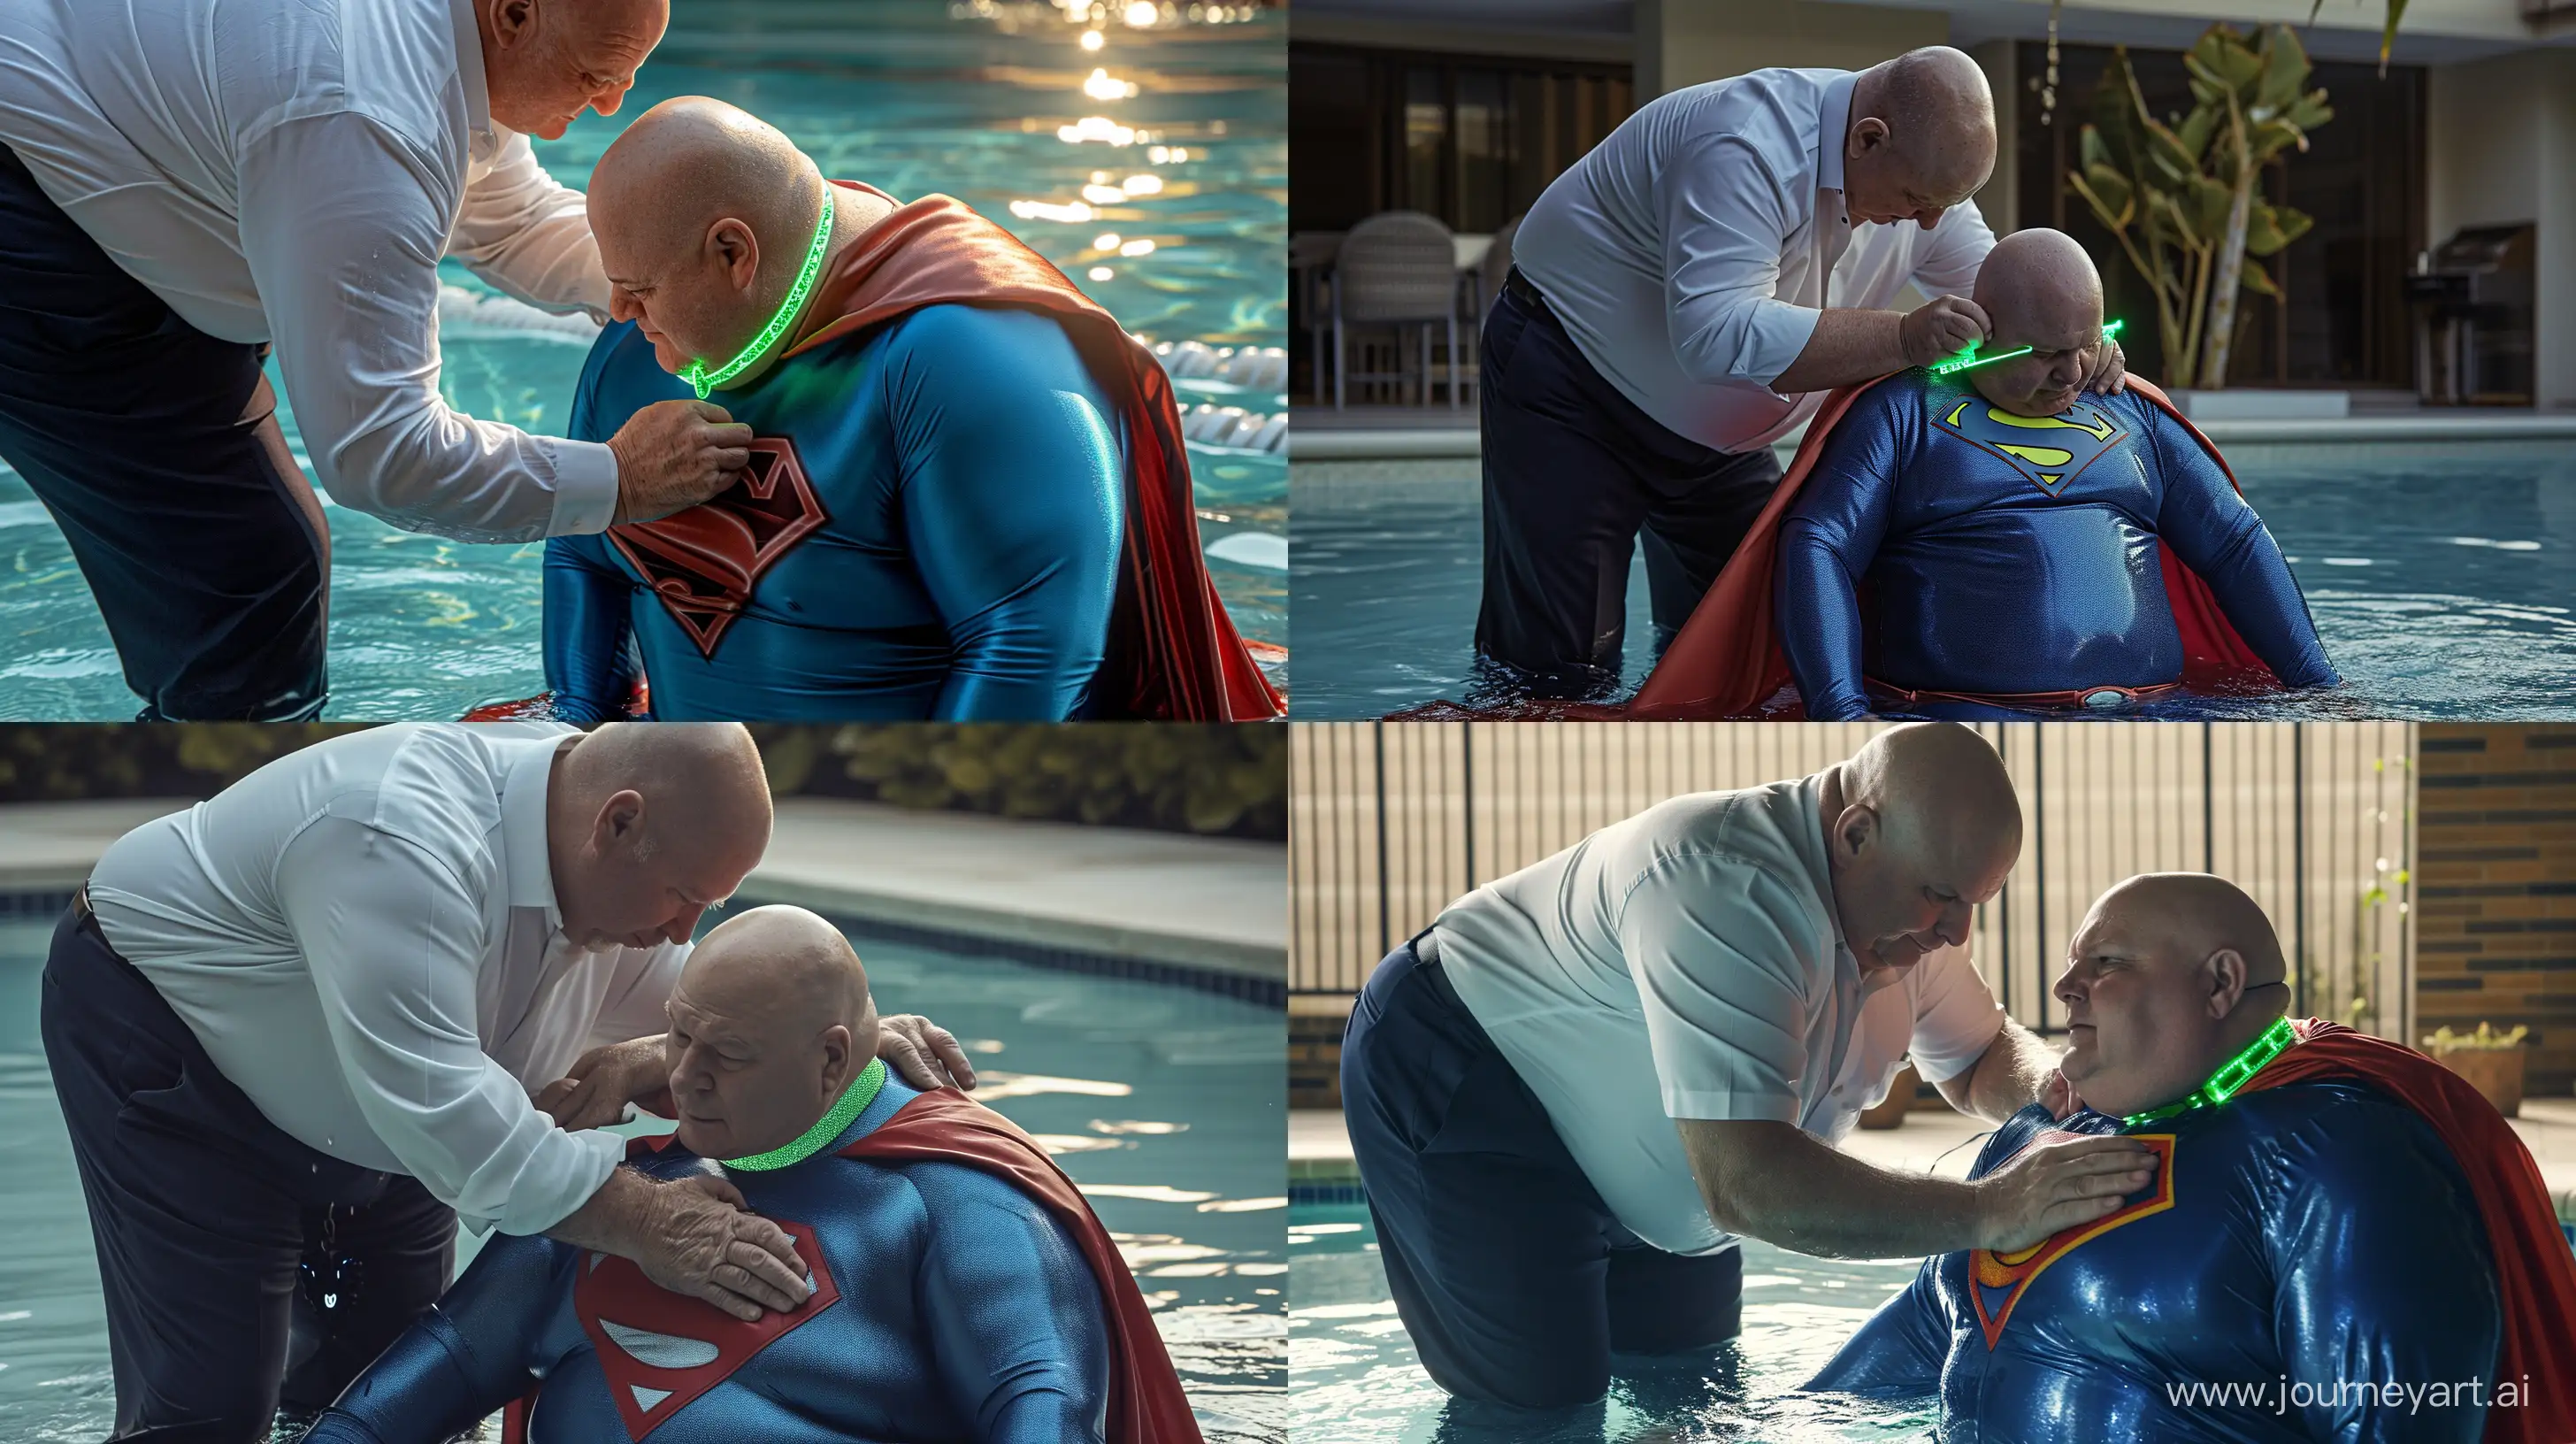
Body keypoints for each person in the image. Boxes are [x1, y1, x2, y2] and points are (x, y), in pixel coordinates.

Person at [40, 723, 976, 1442]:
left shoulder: (598, 856)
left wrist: (834, 1040)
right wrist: (654, 1223)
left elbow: (691, 1006)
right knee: (208, 1412)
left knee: (396, 1396)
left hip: (386, 1105)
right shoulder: (391, 839)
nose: (686, 928)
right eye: (684, 898)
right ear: (619, 824)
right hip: (166, 1044)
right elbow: (452, 1116)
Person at [1338, 723, 2159, 1412]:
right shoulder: (1724, 884)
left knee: (1693, 1398)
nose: (1954, 934)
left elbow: (1980, 1057)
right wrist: (1991, 1212)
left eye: (1974, 904)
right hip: (1468, 1073)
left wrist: (2065, 1090)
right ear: (1855, 833)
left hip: (1669, 1152)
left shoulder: (1903, 916)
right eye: (1941, 897)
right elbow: (1752, 1187)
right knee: (1543, 1419)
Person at [0, 0, 762, 722]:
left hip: (94, 122)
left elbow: (507, 219)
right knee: (253, 580)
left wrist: (678, 284)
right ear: (515, 12)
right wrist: (621, 479)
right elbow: (382, 453)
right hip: (30, 193)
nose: (608, 107)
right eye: (596, 76)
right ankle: (215, 768)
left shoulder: (453, 43)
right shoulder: (362, 117)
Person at [302, 905, 1203, 1444]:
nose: (680, 1075)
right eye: (676, 1034)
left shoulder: (964, 1203)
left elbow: (1043, 1408)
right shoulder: (612, 1198)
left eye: (724, 1054)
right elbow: (418, 1387)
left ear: (830, 1060)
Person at [528, 97, 1281, 722]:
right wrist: (572, 731)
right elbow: (581, 553)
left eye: (642, 288)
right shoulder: (639, 346)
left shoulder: (973, 361)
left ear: (735, 254)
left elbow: (1031, 649)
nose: (619, 309)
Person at [1809, 873, 2576, 1444]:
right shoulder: (2039, 1137)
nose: (2066, 987)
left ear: (2220, 984)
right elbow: (1905, 1348)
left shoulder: (2342, 1156)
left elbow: (2400, 1422)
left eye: (2105, 963)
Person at [1477, 47, 2128, 695]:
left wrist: (2077, 348)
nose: (1932, 221)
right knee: (1560, 670)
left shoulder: (1926, 183)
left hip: (1720, 444)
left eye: (1949, 205)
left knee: (1765, 646)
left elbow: (2005, 320)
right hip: (1573, 388)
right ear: (1869, 138)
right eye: (1920, 200)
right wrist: (1904, 336)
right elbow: (1713, 333)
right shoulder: (1745, 142)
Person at [1627, 227, 2336, 720]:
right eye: (2048, 352)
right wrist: (1842, 715)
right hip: (1957, 718)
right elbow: (1818, 544)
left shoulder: (2132, 413)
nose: (2074, 371)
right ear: (1982, 333)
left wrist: (2320, 689)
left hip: (2162, 710)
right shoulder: (1902, 412)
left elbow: (2236, 543)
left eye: (2089, 344)